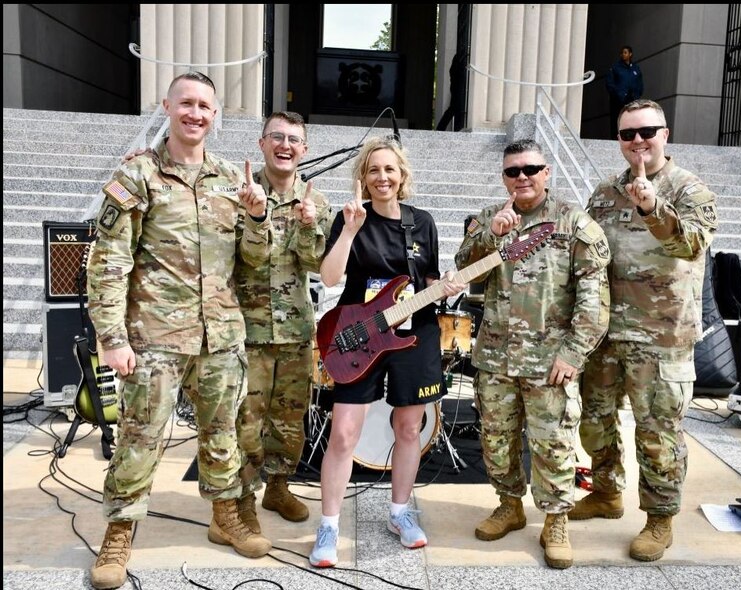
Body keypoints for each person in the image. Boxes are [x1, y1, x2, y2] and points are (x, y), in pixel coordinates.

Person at [85, 71, 274, 590]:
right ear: (166, 106)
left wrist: (258, 217)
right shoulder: (138, 175)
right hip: (154, 336)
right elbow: (108, 261)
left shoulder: (230, 181)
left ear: (216, 115)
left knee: (221, 436)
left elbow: (254, 262)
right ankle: (120, 530)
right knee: (140, 437)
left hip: (220, 337)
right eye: (186, 103)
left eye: (205, 106)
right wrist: (112, 336)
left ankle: (224, 516)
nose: (195, 113)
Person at [308, 136, 464, 568]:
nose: (382, 177)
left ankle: (399, 513)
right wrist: (352, 230)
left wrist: (445, 287)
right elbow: (331, 276)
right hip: (358, 334)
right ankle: (329, 525)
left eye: (390, 170)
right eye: (373, 170)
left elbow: (428, 279)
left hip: (414, 336)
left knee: (410, 429)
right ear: (363, 177)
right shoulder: (350, 219)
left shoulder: (422, 223)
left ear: (402, 176)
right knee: (343, 434)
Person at [454, 139, 611, 569]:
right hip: (496, 358)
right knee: (497, 440)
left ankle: (556, 518)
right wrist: (492, 236)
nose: (521, 177)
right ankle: (509, 505)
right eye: (512, 171)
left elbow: (594, 300)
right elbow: (461, 268)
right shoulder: (489, 219)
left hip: (550, 362)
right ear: (503, 177)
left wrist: (574, 354)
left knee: (553, 444)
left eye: (530, 169)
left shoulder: (575, 224)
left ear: (547, 173)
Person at [573, 99, 718, 562]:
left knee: (658, 434)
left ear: (665, 134)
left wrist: (653, 205)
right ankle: (606, 492)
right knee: (595, 422)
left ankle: (659, 519)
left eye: (647, 131)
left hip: (661, 338)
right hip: (605, 333)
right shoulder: (602, 194)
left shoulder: (689, 190)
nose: (638, 141)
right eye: (627, 134)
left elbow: (690, 243)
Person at [234, 112, 333, 531]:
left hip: (294, 330)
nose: (285, 145)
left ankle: (278, 486)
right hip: (246, 329)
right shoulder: (238, 192)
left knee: (290, 416)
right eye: (277, 136)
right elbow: (245, 256)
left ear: (304, 150)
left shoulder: (316, 200)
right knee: (245, 417)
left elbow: (317, 265)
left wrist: (309, 225)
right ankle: (239, 499)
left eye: (294, 139)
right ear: (262, 143)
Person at [606, 45, 643, 138]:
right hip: (618, 100)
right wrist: (617, 94)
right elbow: (609, 83)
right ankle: (616, 138)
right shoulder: (615, 67)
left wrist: (637, 95)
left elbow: (640, 83)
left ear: (630, 54)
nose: (623, 54)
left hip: (632, 99)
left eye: (625, 52)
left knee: (631, 119)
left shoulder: (635, 68)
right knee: (617, 119)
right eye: (622, 53)